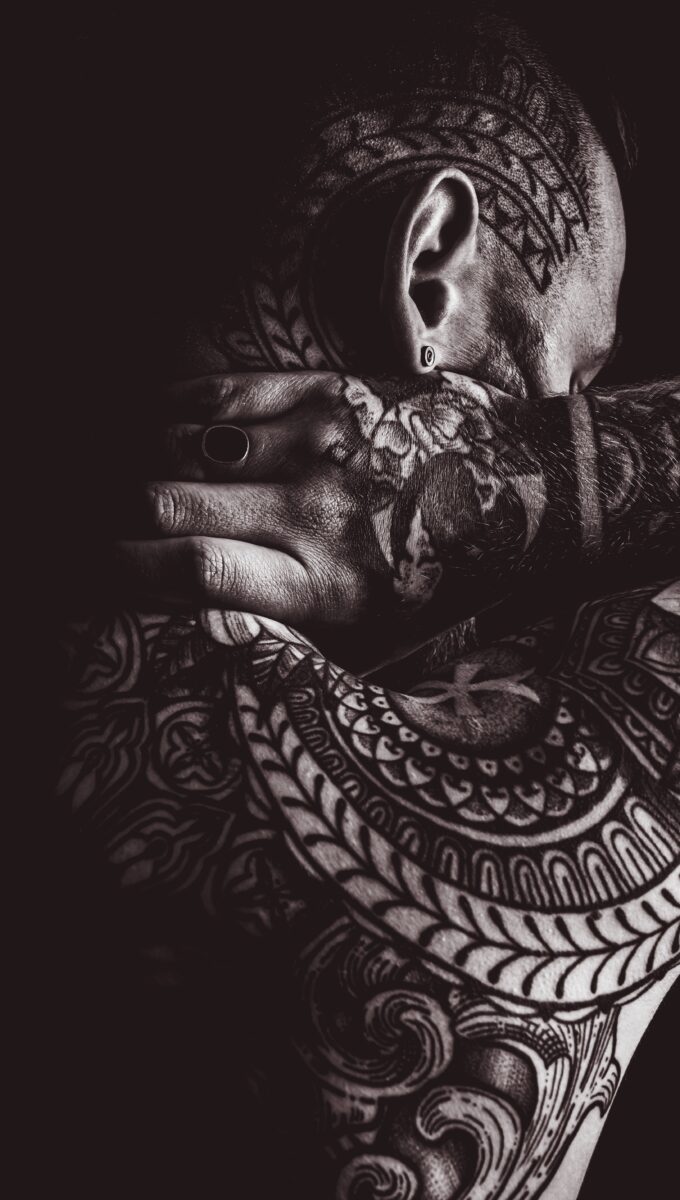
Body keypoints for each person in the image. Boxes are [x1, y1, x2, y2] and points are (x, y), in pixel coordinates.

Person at [58, 9, 679, 1199]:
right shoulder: (522, 782)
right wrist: (479, 491)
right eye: (582, 374)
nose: (576, 407)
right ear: (428, 269)